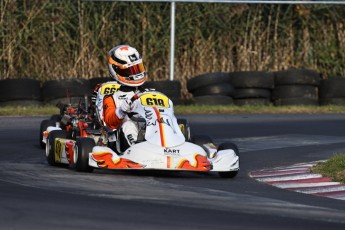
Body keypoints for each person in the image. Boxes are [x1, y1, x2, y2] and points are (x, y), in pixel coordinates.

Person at [92, 45, 147, 152]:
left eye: (137, 68)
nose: (136, 73)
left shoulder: (148, 93)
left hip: (150, 130)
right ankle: (137, 151)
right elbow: (109, 123)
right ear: (117, 71)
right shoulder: (112, 98)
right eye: (130, 70)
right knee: (128, 125)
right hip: (121, 136)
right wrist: (121, 110)